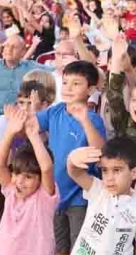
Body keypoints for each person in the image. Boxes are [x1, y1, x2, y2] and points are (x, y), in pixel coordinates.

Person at [35, 60, 107, 255]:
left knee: (81, 247)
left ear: (90, 89)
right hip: (57, 193)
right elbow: (32, 124)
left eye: (76, 84)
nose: (68, 88)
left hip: (81, 197)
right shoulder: (55, 111)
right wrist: (30, 110)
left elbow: (101, 152)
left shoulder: (93, 119)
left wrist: (84, 120)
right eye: (65, 82)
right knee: (60, 246)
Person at [66, 137, 136, 255]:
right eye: (105, 170)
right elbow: (75, 173)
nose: (109, 177)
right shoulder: (98, 190)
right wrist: (72, 159)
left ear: (134, 173)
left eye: (116, 170)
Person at [0, 105, 58, 255]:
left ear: (41, 180)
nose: (20, 181)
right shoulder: (11, 192)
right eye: (16, 173)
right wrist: (9, 132)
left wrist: (33, 135)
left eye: (28, 177)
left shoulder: (43, 198)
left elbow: (46, 167)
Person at [0, 34, 52, 115]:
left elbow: (56, 71)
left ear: (23, 52)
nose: (9, 49)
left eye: (14, 47)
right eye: (6, 46)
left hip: (21, 116)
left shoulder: (31, 66)